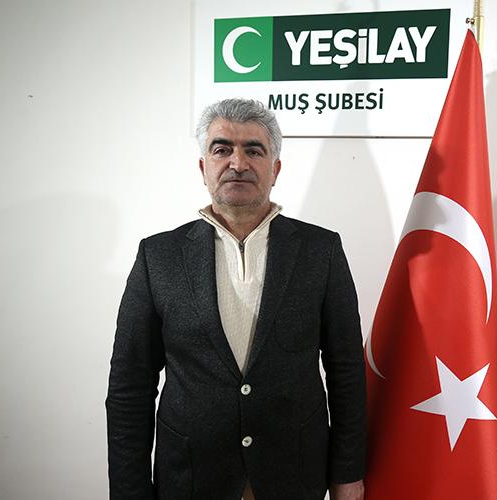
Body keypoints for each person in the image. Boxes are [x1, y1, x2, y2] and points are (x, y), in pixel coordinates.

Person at [106, 98, 366, 500]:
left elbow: (346, 371)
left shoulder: (321, 251)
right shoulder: (157, 257)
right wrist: (129, 491)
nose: (238, 163)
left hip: (294, 476)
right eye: (222, 149)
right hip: (190, 478)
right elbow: (130, 387)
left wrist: (348, 474)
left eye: (254, 150)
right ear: (203, 167)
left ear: (275, 169)